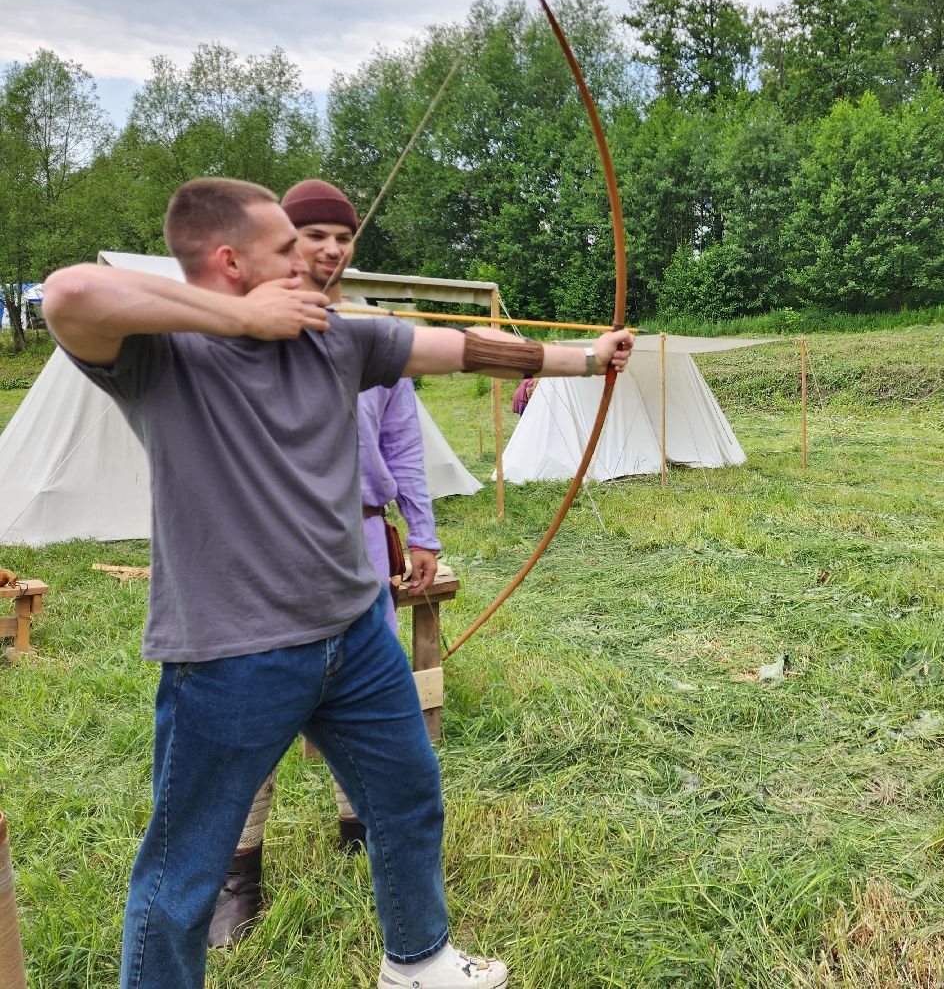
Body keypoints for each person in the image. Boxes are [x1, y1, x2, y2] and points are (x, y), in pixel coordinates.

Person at [42, 176, 632, 989]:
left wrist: (585, 361)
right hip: (231, 656)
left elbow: (455, 348)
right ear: (229, 261)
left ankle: (417, 961)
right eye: (286, 248)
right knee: (184, 873)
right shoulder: (159, 357)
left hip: (355, 633)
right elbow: (70, 291)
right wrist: (244, 319)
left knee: (408, 797)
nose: (311, 259)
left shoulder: (337, 341)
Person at [204, 179, 444, 947]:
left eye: (343, 236)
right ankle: (238, 876)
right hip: (266, 559)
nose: (332, 249)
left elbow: (402, 442)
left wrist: (424, 530)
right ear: (282, 241)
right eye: (314, 235)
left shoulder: (370, 337)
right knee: (254, 722)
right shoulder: (233, 331)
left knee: (363, 699)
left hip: (363, 546)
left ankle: (359, 834)